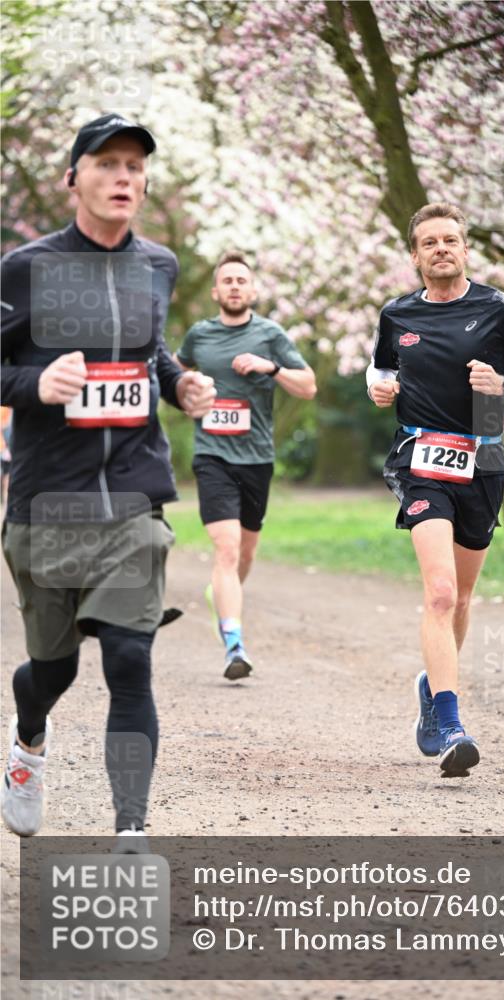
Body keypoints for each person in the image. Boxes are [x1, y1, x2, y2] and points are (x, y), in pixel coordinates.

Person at [1, 113, 215, 842]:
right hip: (45, 501)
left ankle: (131, 833)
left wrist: (179, 382)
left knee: (129, 658)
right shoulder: (25, 269)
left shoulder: (155, 264)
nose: (123, 176)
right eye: (106, 164)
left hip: (132, 494)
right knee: (51, 672)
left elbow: (150, 351)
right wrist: (34, 383)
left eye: (134, 165)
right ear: (73, 179)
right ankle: (28, 736)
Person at [367, 202, 504, 778]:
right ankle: (450, 723)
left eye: (450, 239)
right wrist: (380, 390)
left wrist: (503, 384)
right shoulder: (397, 315)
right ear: (415, 255)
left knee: (464, 598)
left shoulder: (499, 309)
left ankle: (432, 686)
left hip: (484, 463)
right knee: (441, 591)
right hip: (420, 460)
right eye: (430, 242)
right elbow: (378, 371)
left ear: (465, 248)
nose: (441, 249)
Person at [175, 251, 316, 680]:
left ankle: (222, 592)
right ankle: (234, 644)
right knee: (228, 547)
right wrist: (189, 392)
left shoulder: (270, 334)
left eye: (242, 280)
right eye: (227, 281)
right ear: (216, 291)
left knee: (246, 553)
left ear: (252, 291)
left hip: (256, 458)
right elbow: (173, 378)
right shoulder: (200, 336)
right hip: (211, 454)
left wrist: (270, 367)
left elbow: (308, 386)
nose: (234, 286)